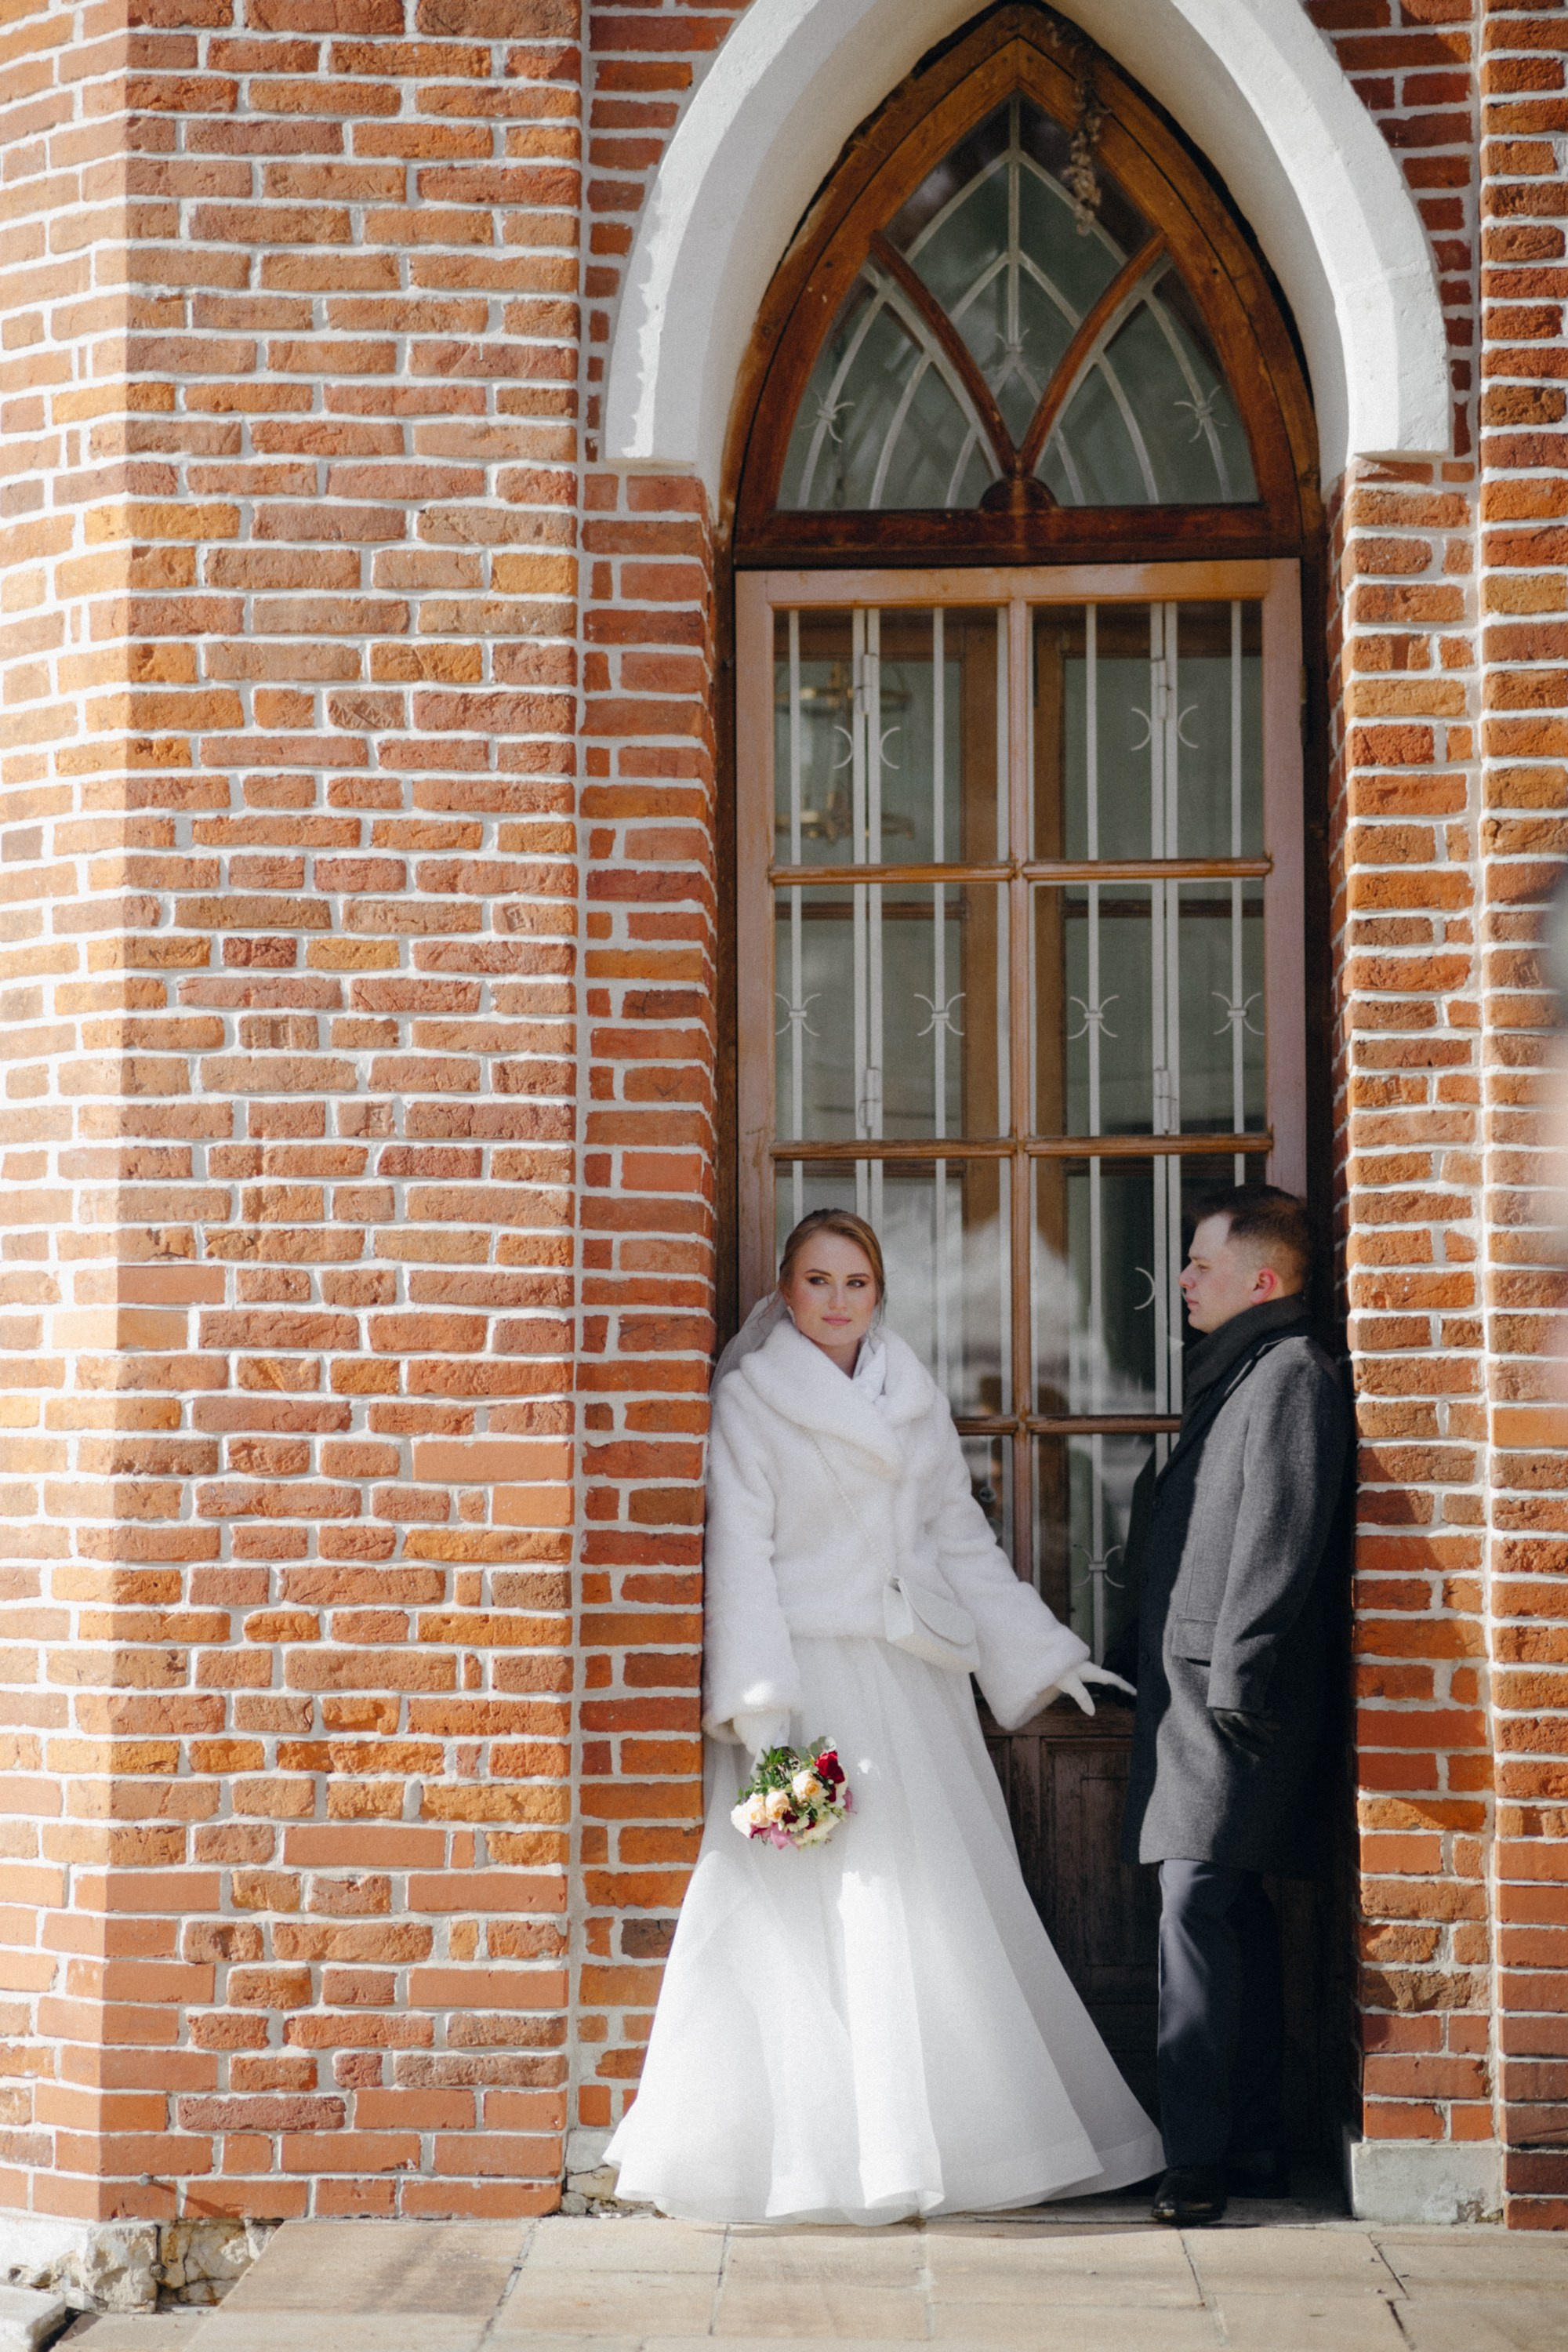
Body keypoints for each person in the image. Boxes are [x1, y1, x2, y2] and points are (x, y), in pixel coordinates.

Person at [604, 1207, 1163, 2223]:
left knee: (935, 1907)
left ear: (878, 1293)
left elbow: (959, 1541)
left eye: (855, 1282)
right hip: (810, 1683)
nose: (836, 1300)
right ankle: (824, 2157)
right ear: (785, 1291)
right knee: (824, 1909)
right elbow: (742, 1562)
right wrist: (765, 1722)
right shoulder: (752, 1400)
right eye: (816, 1281)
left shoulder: (912, 1396)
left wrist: (1045, 1656)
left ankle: (962, 2144)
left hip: (912, 1680)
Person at [1109, 1185, 1351, 2227]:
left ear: (1263, 1279)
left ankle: (1194, 2162)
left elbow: (1282, 1536)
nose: (1183, 1281)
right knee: (1229, 1911)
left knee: (1193, 1907)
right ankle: (1249, 2145)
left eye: (1201, 1264)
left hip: (1228, 1704)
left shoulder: (1292, 1372)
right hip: (1197, 1696)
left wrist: (1235, 1678)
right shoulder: (1239, 1370)